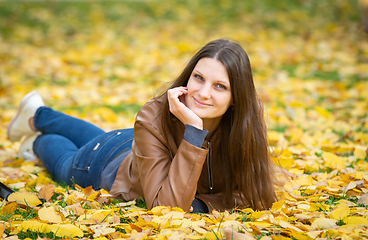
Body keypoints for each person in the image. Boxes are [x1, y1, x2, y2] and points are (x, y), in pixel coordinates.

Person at [7, 39, 277, 213]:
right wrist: (194, 131)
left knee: (99, 136)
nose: (203, 93)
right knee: (64, 161)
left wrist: (201, 204)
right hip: (102, 166)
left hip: (137, 150)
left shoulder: (245, 123)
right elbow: (167, 207)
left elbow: (255, 194)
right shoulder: (154, 115)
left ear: (235, 98)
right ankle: (35, 133)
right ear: (188, 77)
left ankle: (38, 114)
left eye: (220, 86)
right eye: (199, 78)